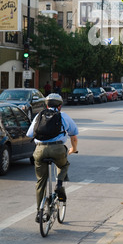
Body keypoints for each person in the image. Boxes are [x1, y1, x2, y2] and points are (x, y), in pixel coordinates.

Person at [26, 93, 79, 223]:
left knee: (41, 181)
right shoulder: (63, 116)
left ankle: (39, 211)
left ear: (46, 105)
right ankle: (59, 184)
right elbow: (74, 136)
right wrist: (73, 149)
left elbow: (29, 134)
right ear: (60, 106)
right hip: (57, 149)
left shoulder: (39, 116)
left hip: (40, 150)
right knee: (64, 165)